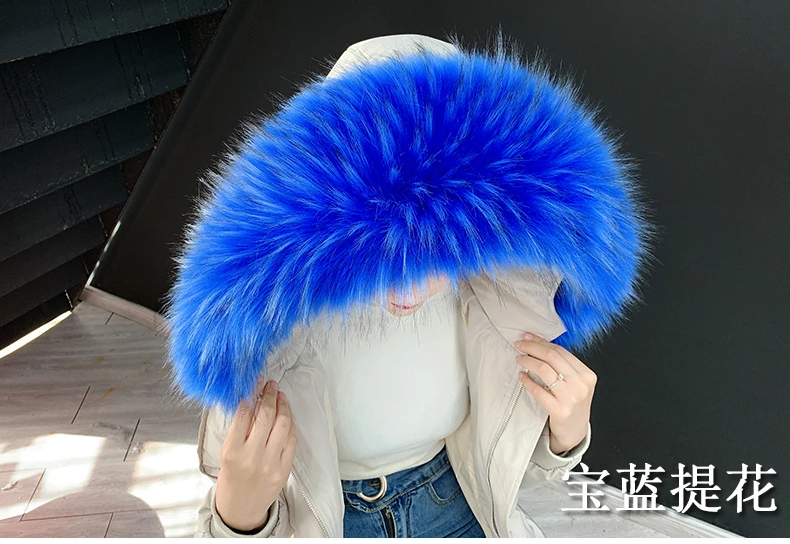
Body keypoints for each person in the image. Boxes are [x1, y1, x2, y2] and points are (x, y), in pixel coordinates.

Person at [165, 33, 654, 537]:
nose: (409, 291)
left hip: (458, 501)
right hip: (333, 521)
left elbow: (506, 462)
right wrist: (237, 514)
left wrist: (565, 436)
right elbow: (244, 489)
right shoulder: (269, 322)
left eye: (435, 252)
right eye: (386, 255)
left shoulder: (497, 302)